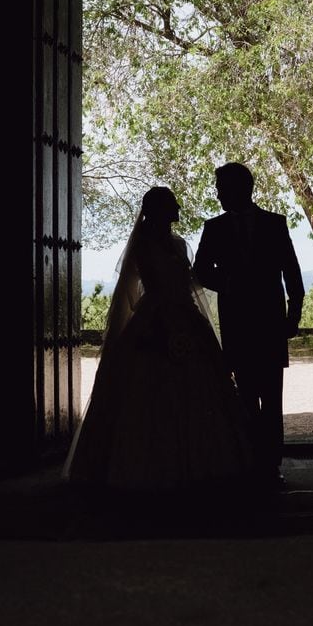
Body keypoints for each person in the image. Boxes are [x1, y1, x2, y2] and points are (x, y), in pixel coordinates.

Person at [64, 187, 255, 490]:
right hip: (156, 318)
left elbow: (191, 283)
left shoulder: (179, 245)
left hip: (186, 316)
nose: (178, 206)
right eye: (172, 203)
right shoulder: (143, 245)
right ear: (161, 210)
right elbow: (143, 287)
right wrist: (163, 321)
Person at [194, 162, 305, 487]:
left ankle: (270, 466)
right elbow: (200, 269)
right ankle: (247, 461)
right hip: (238, 324)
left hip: (270, 324)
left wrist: (293, 314)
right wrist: (226, 283)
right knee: (244, 397)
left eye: (221, 188)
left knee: (271, 398)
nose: (217, 195)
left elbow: (292, 271)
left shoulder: (276, 224)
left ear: (241, 188)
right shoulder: (213, 228)